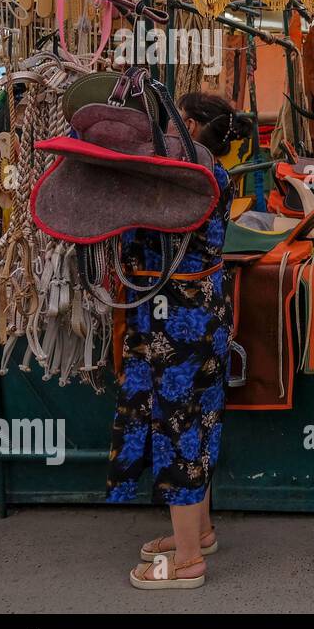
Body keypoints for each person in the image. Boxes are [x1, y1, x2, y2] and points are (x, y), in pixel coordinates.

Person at [108, 92, 253, 590]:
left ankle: (188, 560)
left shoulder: (182, 178)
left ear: (186, 123)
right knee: (199, 419)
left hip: (176, 321)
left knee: (178, 427)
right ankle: (200, 531)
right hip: (203, 309)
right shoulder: (214, 171)